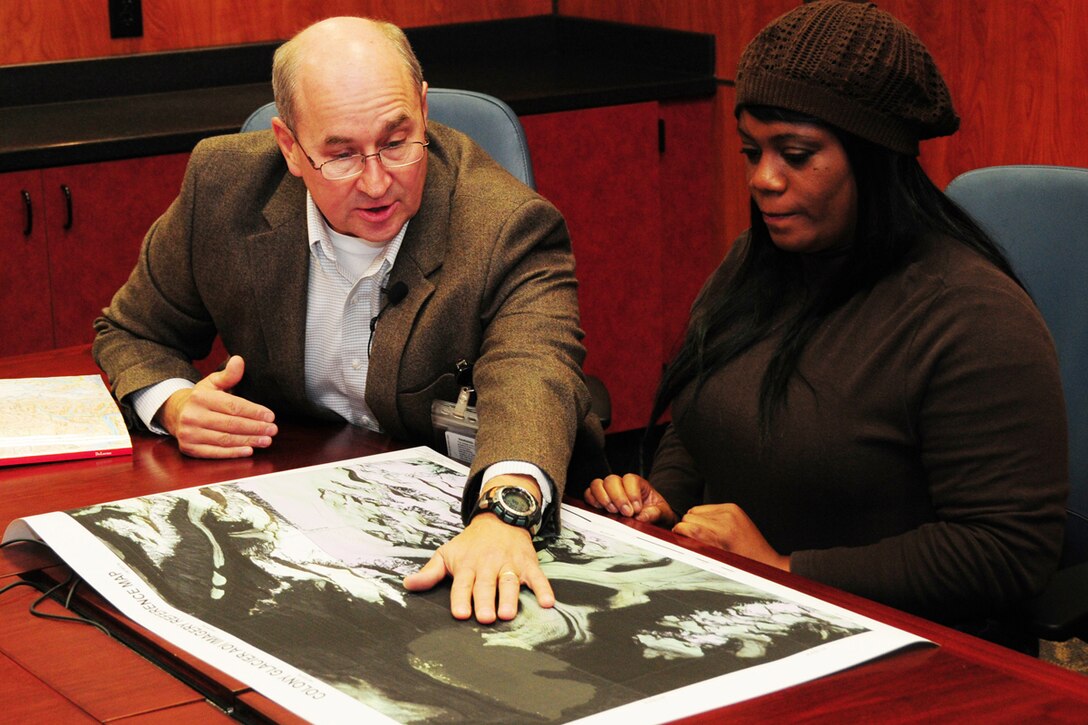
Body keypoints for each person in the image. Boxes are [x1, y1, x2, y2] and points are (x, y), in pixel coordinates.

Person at [584, 0, 1068, 647]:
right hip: (748, 610)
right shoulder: (755, 262)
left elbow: (1005, 548)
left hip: (907, 649)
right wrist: (663, 497)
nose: (763, 179)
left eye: (796, 153)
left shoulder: (973, 316)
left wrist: (788, 568)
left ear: (874, 158)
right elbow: (706, 419)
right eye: (752, 151)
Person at [93, 16, 606, 624]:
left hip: (459, 525)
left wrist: (505, 513)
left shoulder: (507, 225)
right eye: (340, 154)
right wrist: (176, 405)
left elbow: (534, 372)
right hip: (299, 511)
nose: (376, 181)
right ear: (289, 146)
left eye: (397, 142)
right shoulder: (224, 185)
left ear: (421, 108)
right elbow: (131, 330)